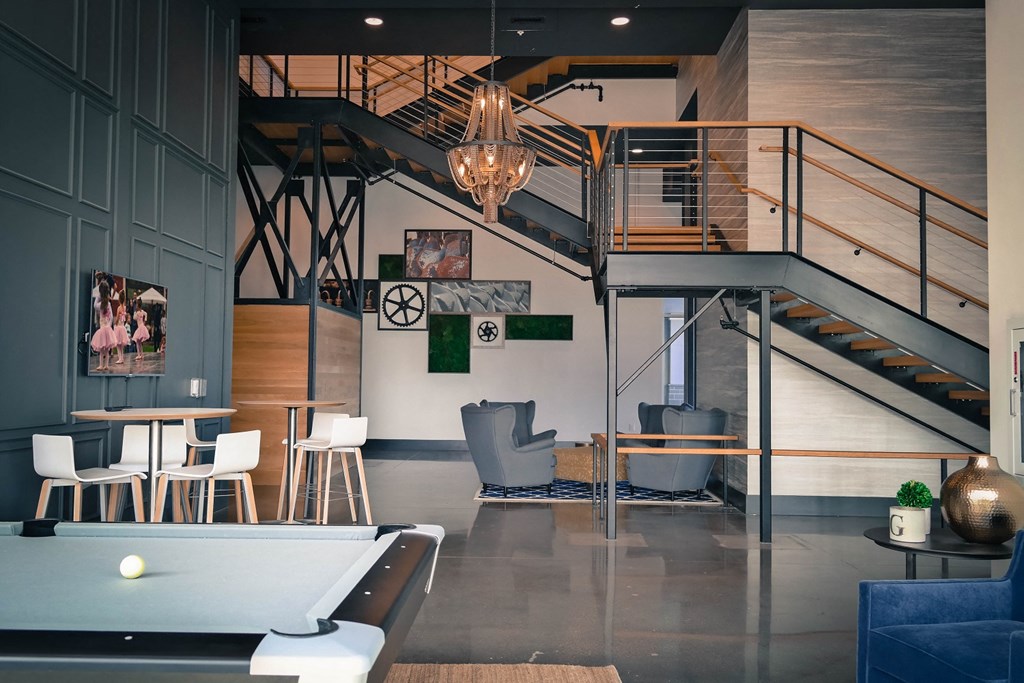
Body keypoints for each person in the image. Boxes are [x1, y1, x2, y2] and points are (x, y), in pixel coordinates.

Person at [89, 281, 118, 371]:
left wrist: (99, 296)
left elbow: (94, 306)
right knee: (107, 348)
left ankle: (101, 365)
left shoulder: (99, 304)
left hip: (102, 329)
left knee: (102, 349)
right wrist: (108, 325)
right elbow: (111, 317)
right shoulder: (108, 304)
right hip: (108, 328)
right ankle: (106, 365)